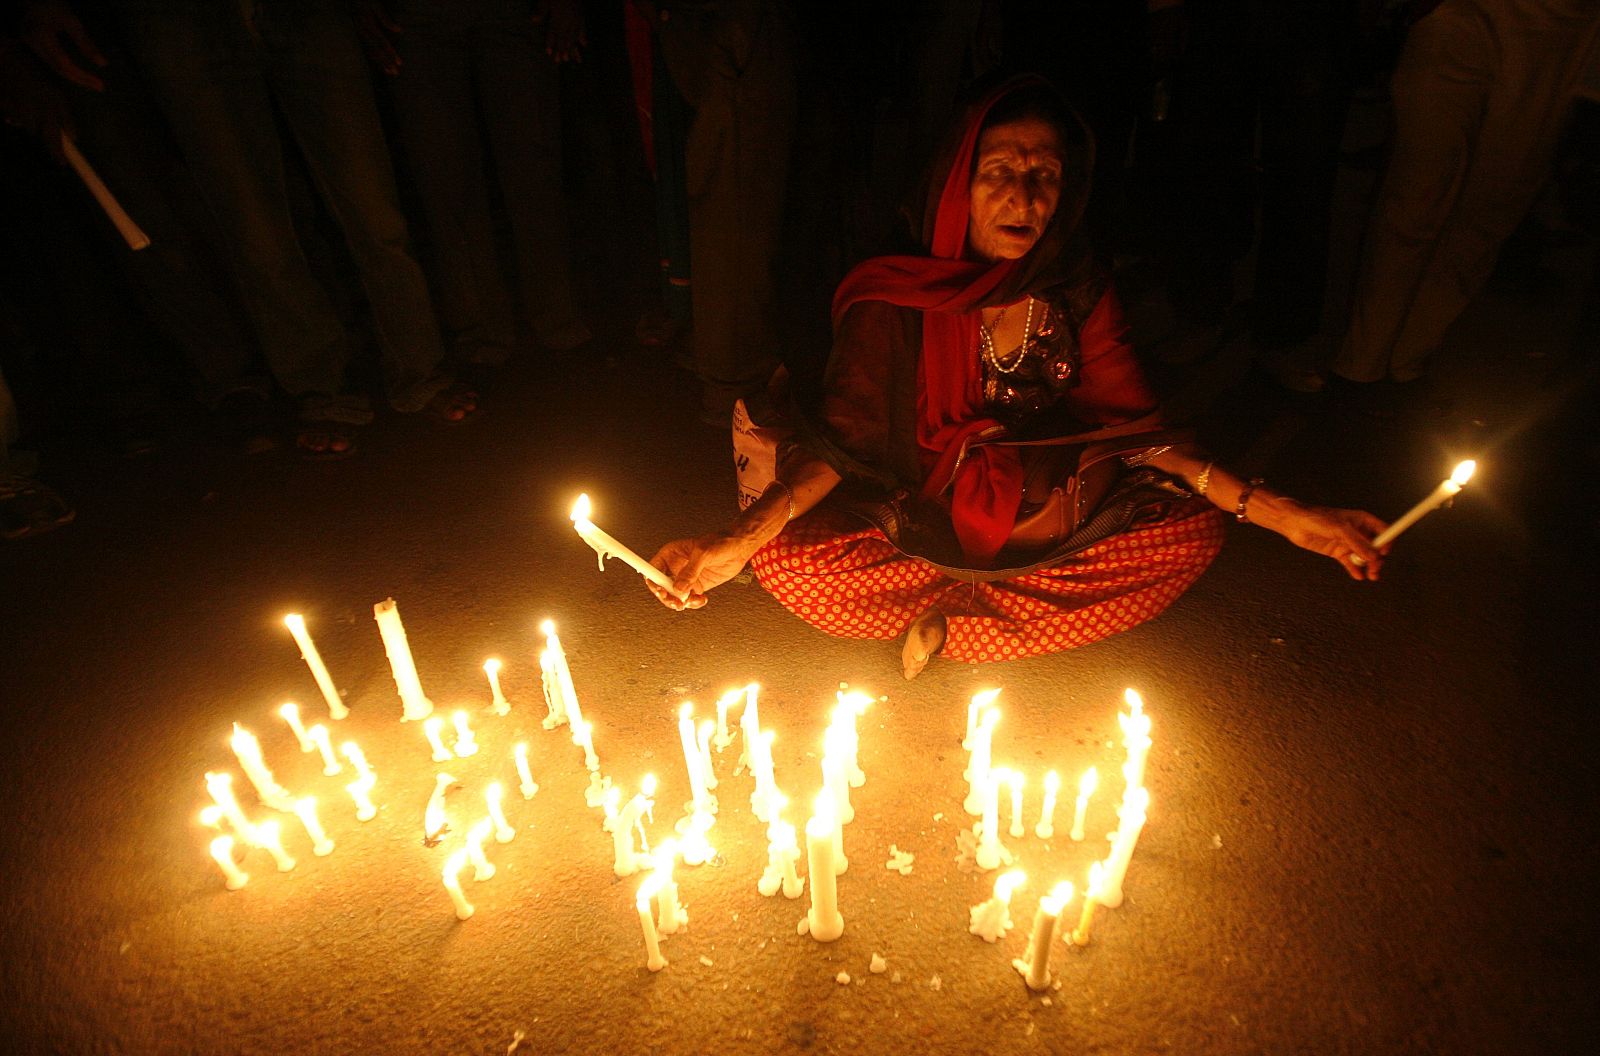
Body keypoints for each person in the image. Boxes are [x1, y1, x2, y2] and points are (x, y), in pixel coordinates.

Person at [647, 78, 1389, 678]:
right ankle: (980, 616)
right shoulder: (894, 295)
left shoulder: (1074, 288)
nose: (1026, 199)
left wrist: (1291, 517)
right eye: (999, 173)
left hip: (1044, 527)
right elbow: (838, 451)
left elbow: (1145, 439)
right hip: (914, 527)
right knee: (792, 566)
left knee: (1191, 532)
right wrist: (734, 544)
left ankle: (949, 622)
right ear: (955, 186)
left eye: (1046, 177)